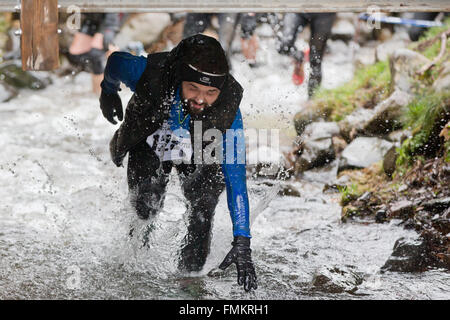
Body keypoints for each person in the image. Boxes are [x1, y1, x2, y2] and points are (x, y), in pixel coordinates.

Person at [98, 34, 257, 292]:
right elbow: (115, 61)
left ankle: (189, 284)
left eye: (211, 92)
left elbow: (236, 179)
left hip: (201, 142)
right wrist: (108, 91)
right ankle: (135, 273)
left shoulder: (228, 110)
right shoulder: (148, 73)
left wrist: (243, 241)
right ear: (179, 78)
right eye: (193, 87)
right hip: (150, 134)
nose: (200, 99)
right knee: (145, 207)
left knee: (203, 208)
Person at [277, 12, 336, 98]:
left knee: (316, 59)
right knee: (284, 45)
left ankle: (312, 100)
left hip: (325, 11)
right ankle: (299, 58)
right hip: (296, 7)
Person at [67, 13, 122, 94]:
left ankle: (102, 93)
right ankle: (98, 91)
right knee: (75, 53)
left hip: (110, 19)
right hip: (93, 16)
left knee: (96, 53)